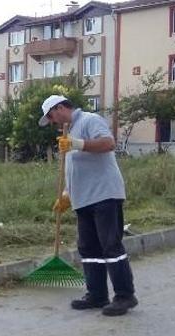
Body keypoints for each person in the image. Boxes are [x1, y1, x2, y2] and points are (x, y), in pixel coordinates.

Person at [39, 94, 138, 316]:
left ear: (61, 107)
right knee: (88, 248)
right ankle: (97, 295)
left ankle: (125, 296)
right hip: (83, 200)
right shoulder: (69, 131)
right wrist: (66, 194)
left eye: (52, 116)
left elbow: (108, 143)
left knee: (110, 245)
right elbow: (76, 168)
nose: (53, 122)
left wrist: (78, 144)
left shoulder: (89, 121)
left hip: (103, 195)